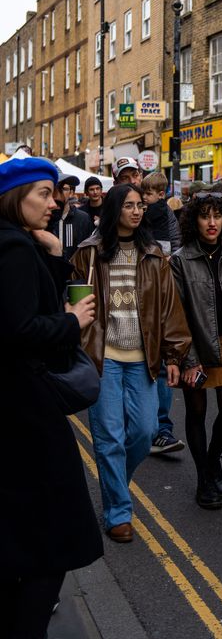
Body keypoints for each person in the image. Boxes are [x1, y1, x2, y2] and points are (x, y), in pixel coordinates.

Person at [0, 156, 102, 637]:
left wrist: (54, 250)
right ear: (16, 197)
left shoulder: (18, 245)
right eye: (43, 192)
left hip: (17, 409)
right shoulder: (13, 250)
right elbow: (18, 328)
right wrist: (71, 322)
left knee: (21, 533)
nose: (54, 201)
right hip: (26, 409)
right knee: (56, 536)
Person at [71, 184, 191, 542]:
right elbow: (73, 300)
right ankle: (119, 513)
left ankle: (115, 486)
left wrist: (174, 355)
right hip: (102, 358)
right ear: (114, 210)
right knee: (109, 437)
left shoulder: (153, 254)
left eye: (140, 205)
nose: (137, 212)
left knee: (141, 433)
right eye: (129, 206)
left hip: (143, 358)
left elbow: (169, 307)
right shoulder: (89, 254)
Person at [170, 189, 222, 509]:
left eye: (217, 215)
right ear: (195, 220)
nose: (211, 222)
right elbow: (175, 314)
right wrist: (188, 359)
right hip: (196, 346)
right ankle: (204, 478)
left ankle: (212, 460)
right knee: (197, 412)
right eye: (205, 215)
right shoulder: (180, 260)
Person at [140, 171, 186, 457]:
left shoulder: (154, 212)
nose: (143, 201)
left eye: (146, 195)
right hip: (163, 293)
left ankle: (158, 429)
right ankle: (159, 429)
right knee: (158, 367)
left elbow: (163, 251)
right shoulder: (167, 213)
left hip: (153, 294)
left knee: (154, 367)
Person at [47, 172, 93, 261]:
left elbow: (88, 255)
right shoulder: (43, 221)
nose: (58, 194)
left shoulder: (83, 219)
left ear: (71, 193)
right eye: (54, 189)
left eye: (63, 189)